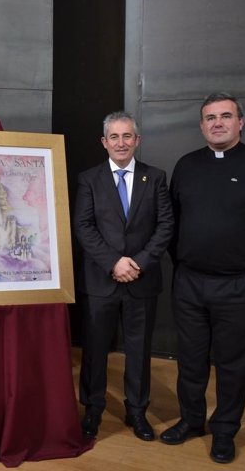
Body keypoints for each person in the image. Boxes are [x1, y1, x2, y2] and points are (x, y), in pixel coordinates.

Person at [161, 92, 245, 463]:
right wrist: (182, 265)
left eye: (225, 116)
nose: (217, 123)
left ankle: (224, 430)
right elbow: (172, 223)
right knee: (189, 360)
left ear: (241, 122)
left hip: (242, 286)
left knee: (233, 365)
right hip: (190, 284)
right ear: (201, 125)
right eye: (210, 117)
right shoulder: (186, 165)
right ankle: (191, 421)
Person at [73, 111, 173, 442]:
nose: (121, 142)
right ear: (104, 142)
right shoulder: (89, 179)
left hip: (142, 281)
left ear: (137, 140)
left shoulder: (155, 177)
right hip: (101, 279)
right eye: (114, 137)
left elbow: (165, 226)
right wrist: (114, 262)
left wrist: (138, 263)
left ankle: (138, 412)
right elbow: (83, 227)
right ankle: (92, 409)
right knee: (95, 350)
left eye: (127, 136)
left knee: (139, 350)